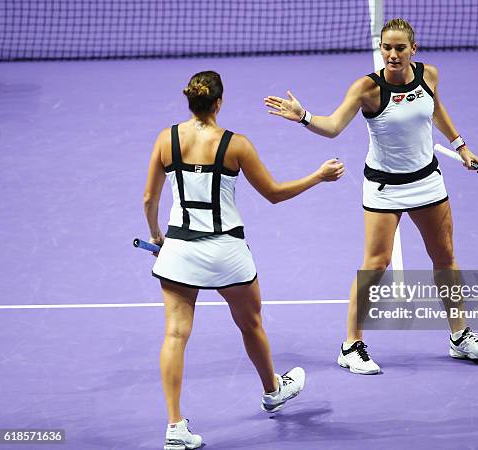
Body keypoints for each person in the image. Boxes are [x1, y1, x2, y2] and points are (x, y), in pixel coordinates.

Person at [264, 18, 478, 375]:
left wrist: (461, 146)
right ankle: (351, 345)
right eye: (387, 47)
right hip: (384, 187)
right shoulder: (366, 89)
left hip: (427, 182)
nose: (392, 54)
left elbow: (436, 109)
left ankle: (459, 336)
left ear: (412, 50)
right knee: (376, 264)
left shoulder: (429, 75)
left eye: (400, 48)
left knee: (445, 258)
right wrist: (304, 117)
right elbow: (334, 126)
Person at [143, 70, 345, 450]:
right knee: (251, 324)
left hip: (180, 252)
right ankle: (272, 389)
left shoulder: (164, 140)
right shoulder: (237, 146)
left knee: (174, 335)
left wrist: (157, 235)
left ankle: (174, 426)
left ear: (191, 102)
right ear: (219, 103)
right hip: (226, 254)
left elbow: (148, 200)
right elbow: (274, 194)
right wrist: (318, 176)